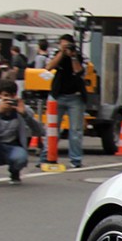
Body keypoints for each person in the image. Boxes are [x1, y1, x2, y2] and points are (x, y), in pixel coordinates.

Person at [48, 33, 88, 169]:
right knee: (53, 129)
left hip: (75, 97)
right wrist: (61, 53)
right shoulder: (56, 55)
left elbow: (78, 71)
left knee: (75, 130)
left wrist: (72, 56)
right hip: (57, 95)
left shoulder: (79, 56)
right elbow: (49, 67)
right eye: (62, 45)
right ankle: (47, 157)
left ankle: (75, 159)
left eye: (67, 46)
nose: (65, 48)